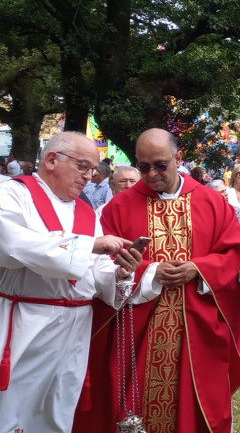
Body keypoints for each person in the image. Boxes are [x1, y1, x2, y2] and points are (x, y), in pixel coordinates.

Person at [77, 128, 240, 433]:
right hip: (137, 330)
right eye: (143, 167)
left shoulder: (212, 202)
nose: (151, 174)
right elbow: (101, 268)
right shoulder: (118, 207)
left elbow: (234, 254)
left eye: (160, 165)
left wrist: (199, 268)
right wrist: (147, 272)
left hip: (198, 331)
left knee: (196, 408)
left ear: (179, 158)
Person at [0, 132, 139, 432]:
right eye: (83, 166)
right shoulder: (13, 195)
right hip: (28, 322)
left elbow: (96, 268)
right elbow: (12, 245)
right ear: (52, 159)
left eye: (93, 169)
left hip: (75, 329)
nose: (90, 176)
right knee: (13, 411)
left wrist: (117, 274)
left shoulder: (87, 211)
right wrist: (89, 245)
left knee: (58, 411)